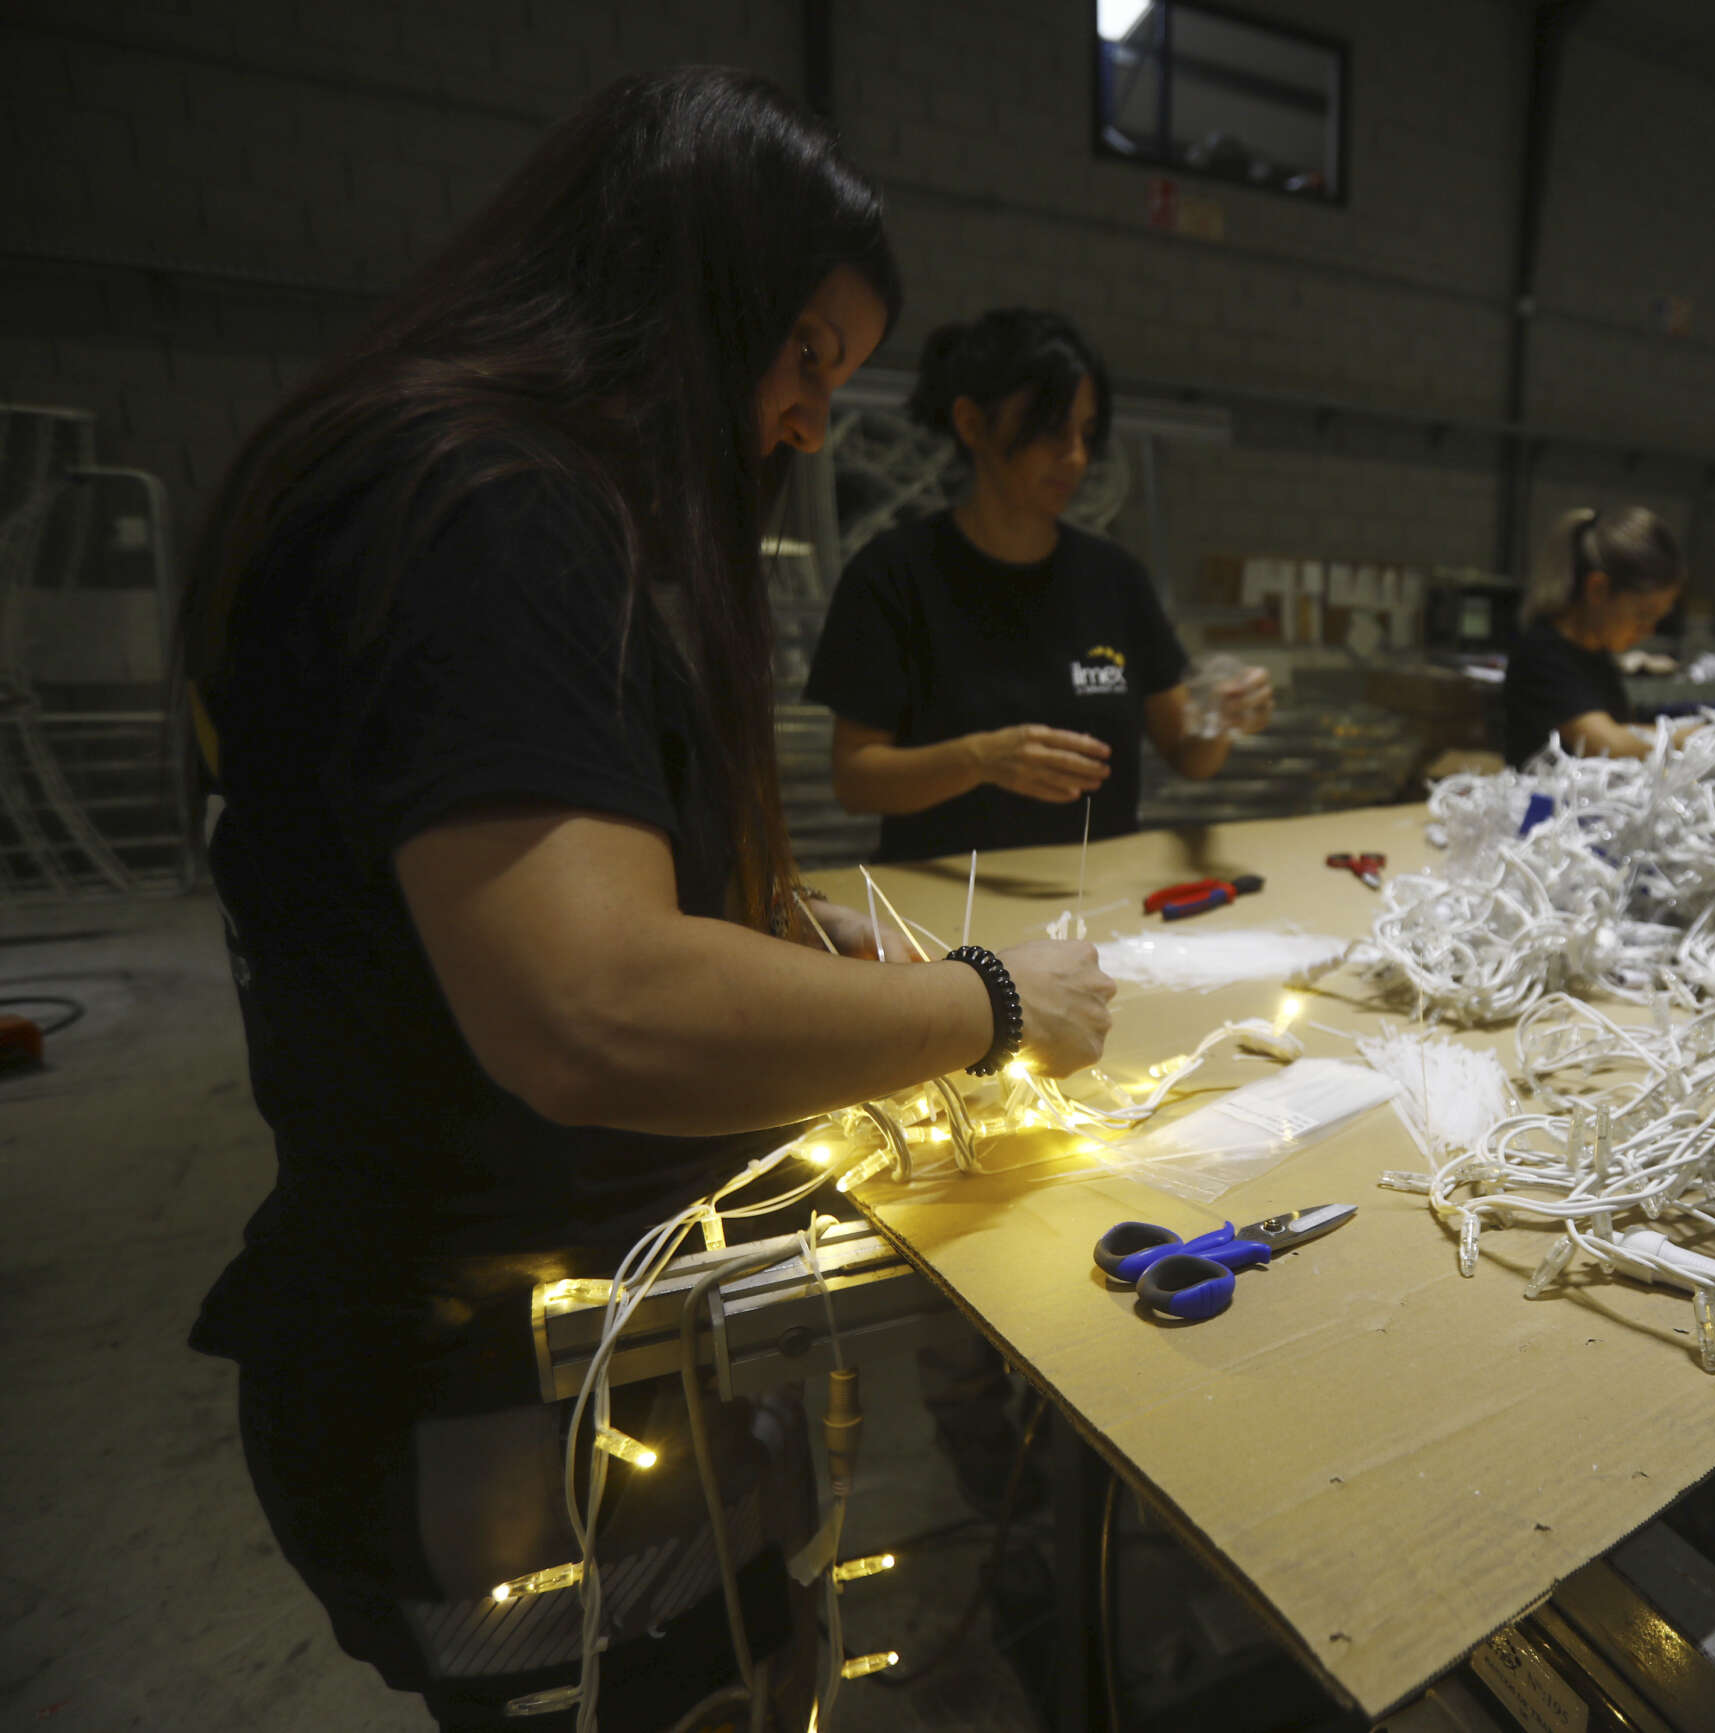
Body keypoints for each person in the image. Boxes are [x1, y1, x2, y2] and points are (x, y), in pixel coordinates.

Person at [181, 71, 1114, 1732]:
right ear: (679, 305)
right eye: (802, 358)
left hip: (565, 1377)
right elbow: (590, 1002)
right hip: (509, 1417)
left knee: (738, 1673)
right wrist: (993, 1003)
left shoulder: (496, 488)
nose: (813, 422)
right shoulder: (489, 507)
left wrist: (745, 925)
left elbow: (523, 904)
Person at [805, 307, 1272, 860]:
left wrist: (1225, 716)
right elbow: (855, 779)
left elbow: (1188, 753)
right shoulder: (893, 577)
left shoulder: (1115, 579)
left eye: (1087, 432)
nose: (1075, 456)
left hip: (1100, 902)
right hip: (952, 912)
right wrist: (981, 758)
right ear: (972, 423)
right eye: (1050, 429)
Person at [1502, 505, 1685, 764]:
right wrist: (1711, 734)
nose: (1649, 630)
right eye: (1644, 614)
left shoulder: (1597, 656)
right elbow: (1605, 744)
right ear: (1598, 590)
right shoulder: (1542, 654)